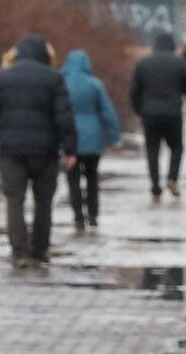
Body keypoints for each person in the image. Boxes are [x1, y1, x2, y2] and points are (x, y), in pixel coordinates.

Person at [0, 35, 77, 268]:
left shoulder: (1, 78)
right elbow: (64, 116)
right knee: (43, 201)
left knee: (14, 200)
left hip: (11, 151)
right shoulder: (53, 78)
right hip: (45, 151)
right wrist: (71, 149)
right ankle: (40, 250)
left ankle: (20, 251)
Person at [130, 33, 186, 201]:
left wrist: (140, 110)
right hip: (172, 112)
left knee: (152, 150)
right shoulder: (179, 62)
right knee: (176, 147)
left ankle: (154, 185)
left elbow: (134, 91)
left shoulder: (143, 64)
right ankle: (172, 178)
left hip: (149, 113)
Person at [60, 49, 122, 232]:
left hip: (69, 138)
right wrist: (115, 136)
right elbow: (106, 111)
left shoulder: (61, 84)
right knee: (92, 178)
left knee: (73, 180)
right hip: (92, 138)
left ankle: (78, 217)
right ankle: (93, 215)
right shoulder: (95, 85)